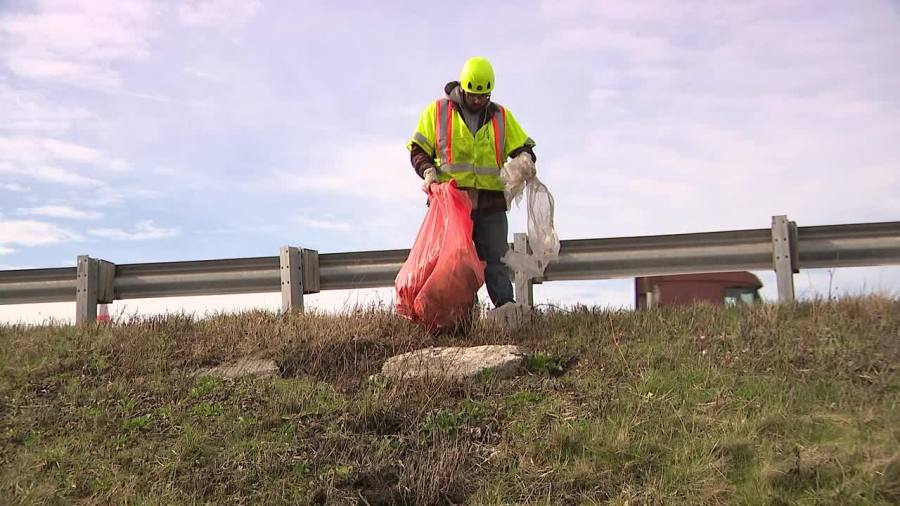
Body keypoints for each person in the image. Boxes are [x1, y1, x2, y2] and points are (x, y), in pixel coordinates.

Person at [406, 56, 536, 316]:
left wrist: (523, 162)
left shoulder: (501, 115)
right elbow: (418, 149)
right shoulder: (438, 112)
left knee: (497, 258)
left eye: (484, 96)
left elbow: (525, 149)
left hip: (491, 203)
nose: (479, 101)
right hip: (453, 204)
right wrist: (428, 171)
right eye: (474, 96)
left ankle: (506, 312)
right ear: (463, 89)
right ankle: (461, 318)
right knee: (455, 263)